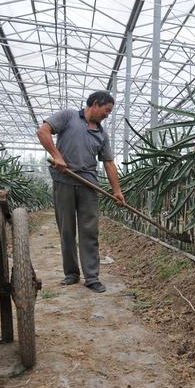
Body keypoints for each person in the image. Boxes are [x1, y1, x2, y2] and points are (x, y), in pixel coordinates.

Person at [37, 91, 125, 293]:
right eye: (106, 110)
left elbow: (109, 163)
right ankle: (71, 273)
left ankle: (92, 277)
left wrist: (117, 190)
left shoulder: (102, 134)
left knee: (89, 231)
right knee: (66, 230)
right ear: (95, 104)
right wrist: (57, 156)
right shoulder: (68, 116)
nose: (107, 115)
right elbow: (43, 131)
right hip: (64, 181)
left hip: (88, 184)